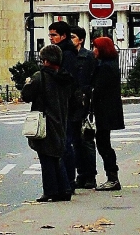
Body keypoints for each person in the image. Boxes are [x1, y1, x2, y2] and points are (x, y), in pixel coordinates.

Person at [21, 43, 74, 202]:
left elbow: (27, 96)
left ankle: (51, 190)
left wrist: (27, 82)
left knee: (46, 156)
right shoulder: (65, 77)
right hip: (61, 118)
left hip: (44, 120)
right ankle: (64, 189)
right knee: (57, 154)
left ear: (45, 60)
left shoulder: (40, 76)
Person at [48, 20, 80, 189]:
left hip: (66, 104)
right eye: (50, 35)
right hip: (64, 103)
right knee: (64, 142)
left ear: (63, 36)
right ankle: (67, 179)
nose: (51, 38)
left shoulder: (66, 54)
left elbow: (67, 78)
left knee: (65, 143)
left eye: (54, 35)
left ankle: (68, 180)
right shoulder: (63, 51)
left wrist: (52, 71)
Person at [91, 36, 125, 191]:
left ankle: (112, 177)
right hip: (109, 110)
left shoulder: (105, 67)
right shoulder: (110, 64)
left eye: (95, 47)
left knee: (103, 144)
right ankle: (112, 177)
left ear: (102, 49)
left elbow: (98, 90)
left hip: (105, 110)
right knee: (103, 142)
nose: (93, 50)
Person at [70, 25, 97, 188]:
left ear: (80, 39)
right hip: (72, 104)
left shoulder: (88, 57)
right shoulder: (68, 56)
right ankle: (81, 174)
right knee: (75, 142)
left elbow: (92, 80)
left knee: (86, 140)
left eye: (73, 37)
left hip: (85, 104)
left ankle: (90, 176)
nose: (71, 40)